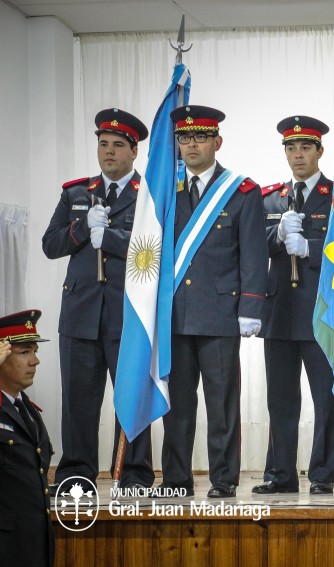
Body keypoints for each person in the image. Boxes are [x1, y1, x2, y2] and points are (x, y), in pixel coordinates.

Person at [42, 108, 154, 494]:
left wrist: (115, 240)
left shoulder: (150, 196)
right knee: (78, 403)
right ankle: (76, 475)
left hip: (129, 314)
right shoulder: (76, 193)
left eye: (118, 146)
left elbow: (157, 251)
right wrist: (81, 228)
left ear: (134, 152)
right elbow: (50, 245)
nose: (108, 152)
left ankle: (135, 475)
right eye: (103, 144)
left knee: (133, 399)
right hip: (80, 314)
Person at [160, 105, 268, 498]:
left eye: (200, 137)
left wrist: (250, 308)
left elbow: (253, 253)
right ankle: (175, 480)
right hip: (174, 314)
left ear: (217, 142)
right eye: (184, 138)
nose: (191, 144)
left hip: (221, 315)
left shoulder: (241, 191)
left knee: (222, 405)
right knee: (177, 407)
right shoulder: (163, 189)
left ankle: (223, 478)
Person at [253, 115, 334, 495]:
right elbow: (253, 248)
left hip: (322, 312)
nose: (298, 154)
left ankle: (322, 474)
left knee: (327, 400)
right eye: (291, 147)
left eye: (306, 147)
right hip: (280, 312)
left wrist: (313, 250)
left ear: (320, 150)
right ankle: (280, 474)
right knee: (281, 400)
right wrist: (276, 235)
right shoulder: (271, 197)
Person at [0, 310, 53, 567]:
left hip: (34, 547)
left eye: (35, 351)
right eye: (24, 352)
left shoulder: (29, 411)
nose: (35, 361)